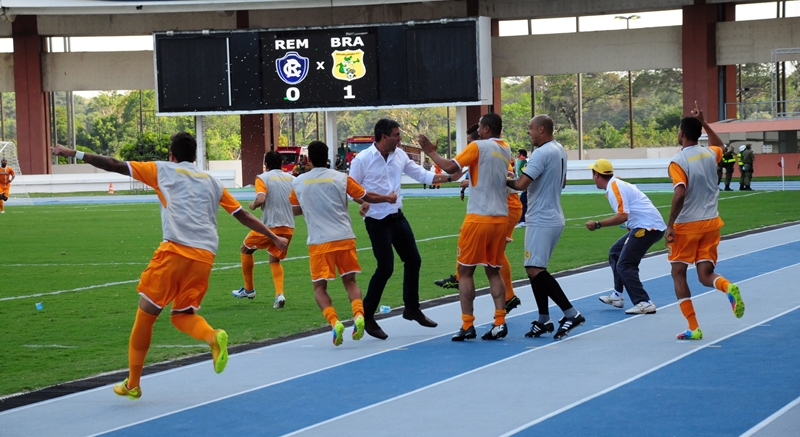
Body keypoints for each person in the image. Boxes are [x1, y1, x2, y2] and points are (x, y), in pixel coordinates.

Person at [51, 133, 288, 400]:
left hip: (174, 250)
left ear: (171, 156)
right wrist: (273, 236)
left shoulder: (161, 169)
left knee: (146, 315)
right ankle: (212, 336)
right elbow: (242, 214)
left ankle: (134, 383)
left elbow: (113, 163)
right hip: (205, 257)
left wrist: (74, 153)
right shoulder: (211, 181)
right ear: (195, 157)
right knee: (182, 315)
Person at [349, 119, 452, 340]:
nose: (400, 138)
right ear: (384, 137)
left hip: (398, 217)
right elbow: (352, 190)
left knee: (413, 260)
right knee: (385, 268)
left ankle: (411, 308)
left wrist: (451, 176)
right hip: (377, 221)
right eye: (396, 135)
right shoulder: (362, 160)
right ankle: (367, 316)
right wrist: (364, 203)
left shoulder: (400, 155)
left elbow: (422, 175)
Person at [289, 140, 397, 346]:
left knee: (319, 288)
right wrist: (387, 198)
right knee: (350, 282)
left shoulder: (298, 182)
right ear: (328, 157)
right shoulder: (341, 178)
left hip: (319, 242)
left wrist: (312, 206)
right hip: (344, 238)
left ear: (308, 159)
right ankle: (358, 315)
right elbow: (366, 196)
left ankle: (334, 322)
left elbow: (295, 209)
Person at [419, 113, 512, 341]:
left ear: (487, 129)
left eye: (480, 127)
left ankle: (468, 325)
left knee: (465, 272)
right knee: (493, 270)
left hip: (478, 217)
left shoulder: (478, 146)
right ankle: (500, 321)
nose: (477, 131)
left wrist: (430, 151)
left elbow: (451, 167)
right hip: (500, 218)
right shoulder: (506, 148)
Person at [666, 105, 745, 341]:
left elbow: (679, 193)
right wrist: (705, 122)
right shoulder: (710, 154)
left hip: (687, 226)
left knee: (678, 273)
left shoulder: (678, 161)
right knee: (705, 274)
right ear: (699, 133)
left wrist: (670, 224)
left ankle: (694, 327)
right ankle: (727, 286)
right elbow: (721, 146)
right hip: (711, 224)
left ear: (681, 133)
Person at [507, 115, 585, 340]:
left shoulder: (541, 152)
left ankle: (571, 313)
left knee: (534, 269)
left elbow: (521, 184)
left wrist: (501, 179)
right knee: (535, 268)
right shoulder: (559, 149)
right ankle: (543, 320)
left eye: (530, 129)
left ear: (541, 129)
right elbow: (562, 182)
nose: (529, 133)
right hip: (553, 215)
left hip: (541, 218)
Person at [585, 159, 666, 315]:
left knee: (625, 264)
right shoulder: (615, 185)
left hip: (648, 228)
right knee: (615, 252)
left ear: (596, 175)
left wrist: (598, 224)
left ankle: (644, 302)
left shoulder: (615, 188)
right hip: (646, 226)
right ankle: (617, 295)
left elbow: (622, 215)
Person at [232, 151, 295, 308]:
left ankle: (248, 289)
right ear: (281, 163)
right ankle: (279, 295)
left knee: (245, 249)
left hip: (269, 226)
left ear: (266, 165)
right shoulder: (292, 179)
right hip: (288, 227)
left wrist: (253, 205)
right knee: (275, 260)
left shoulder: (263, 178)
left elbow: (261, 199)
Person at [514, 149, 528, 228]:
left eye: (518, 153)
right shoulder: (523, 161)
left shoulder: (522, 161)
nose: (516, 154)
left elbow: (522, 172)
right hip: (526, 184)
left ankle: (523, 221)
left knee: (523, 202)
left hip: (525, 185)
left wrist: (523, 183)